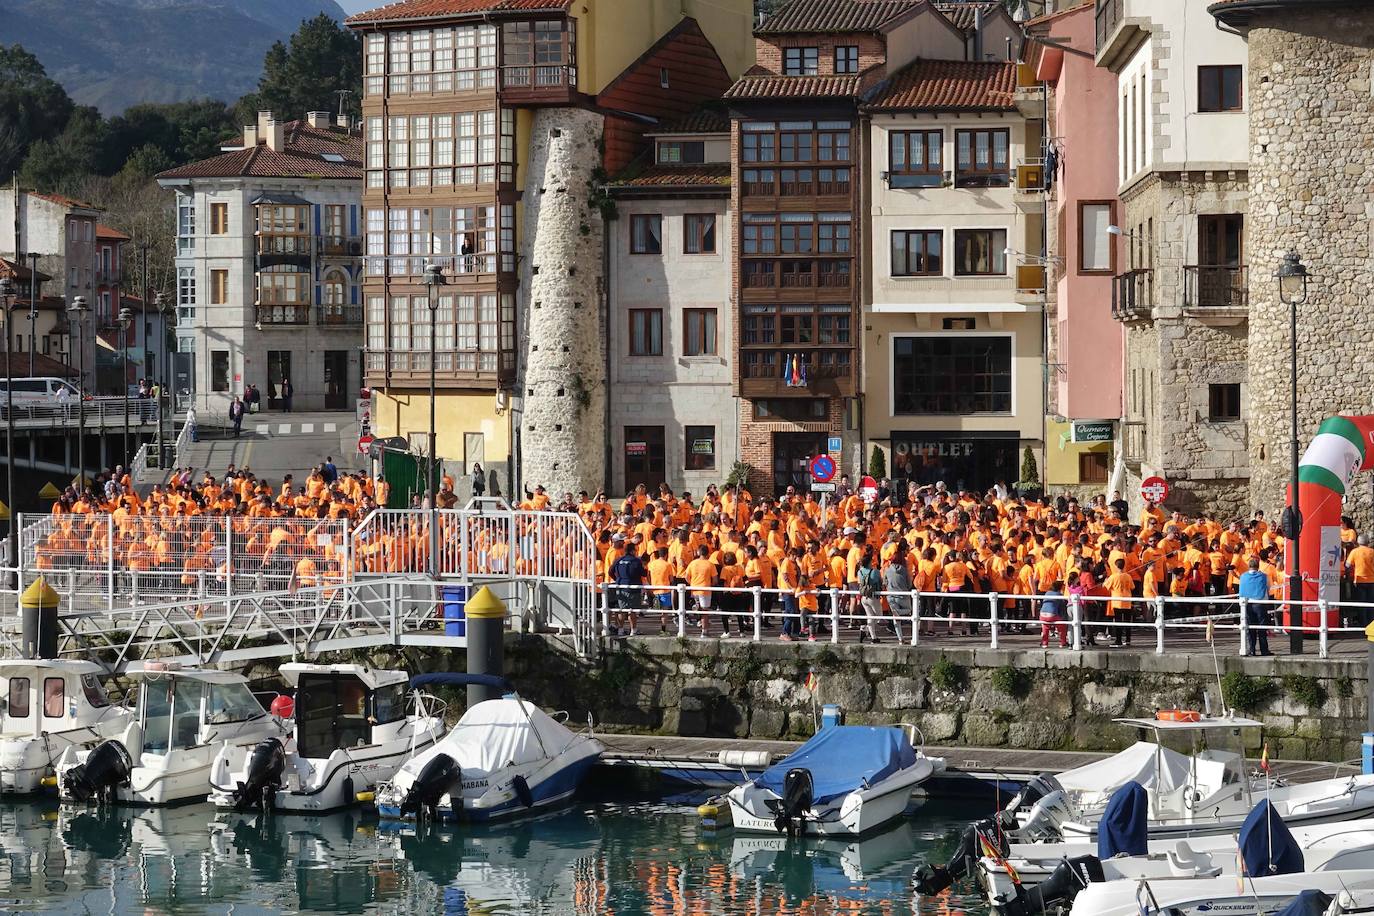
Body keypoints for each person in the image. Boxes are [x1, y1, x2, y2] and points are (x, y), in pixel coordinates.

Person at [1238, 557, 1273, 657]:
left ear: (1249, 566)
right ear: (1258, 566)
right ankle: (1264, 650)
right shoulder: (1264, 576)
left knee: (1250, 628)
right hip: (1260, 604)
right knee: (1262, 628)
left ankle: (1252, 650)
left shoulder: (1243, 576)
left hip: (1247, 605)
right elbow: (1268, 587)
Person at [1039, 580, 1069, 648]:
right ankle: (1063, 642)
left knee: (1045, 628)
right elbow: (1062, 606)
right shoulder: (1059, 595)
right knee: (1062, 627)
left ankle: (1044, 643)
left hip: (1042, 614)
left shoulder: (1047, 593)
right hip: (1052, 614)